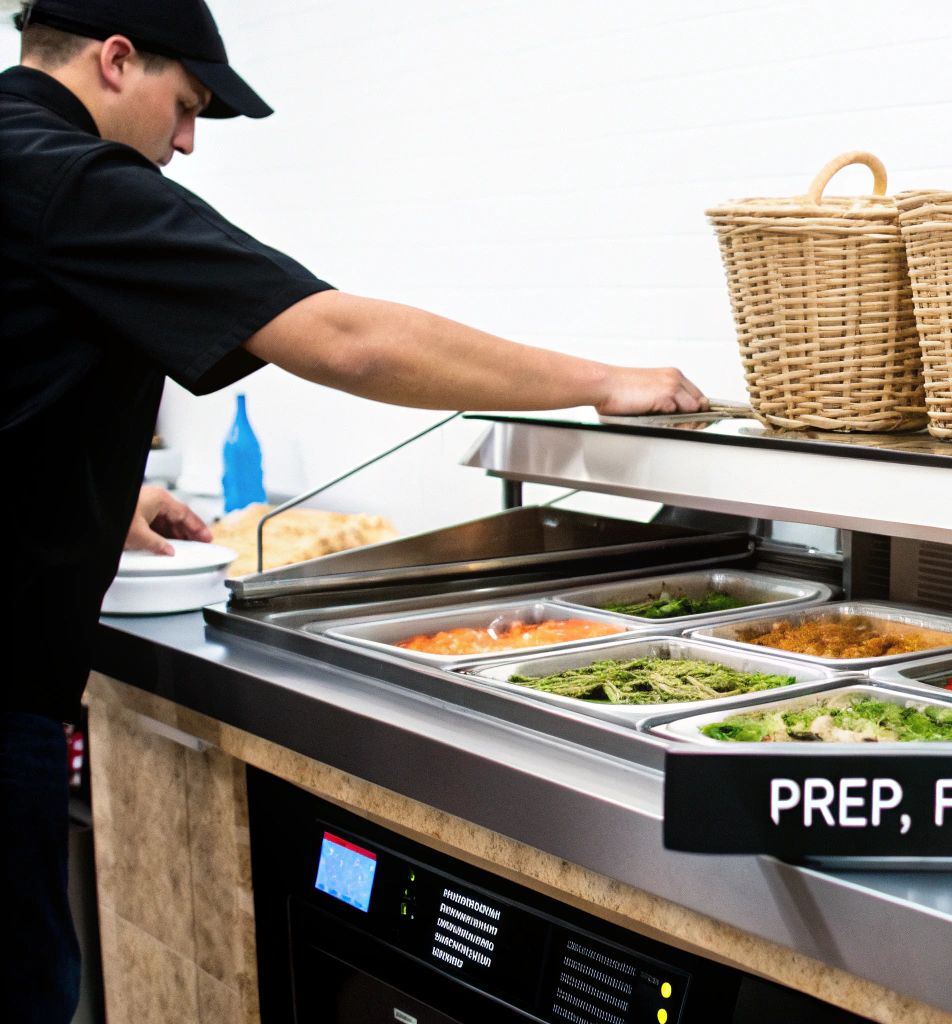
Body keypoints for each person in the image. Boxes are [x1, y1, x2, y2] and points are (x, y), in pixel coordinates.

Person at [1, 1, 707, 1020]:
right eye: (185, 105)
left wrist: (91, 496)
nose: (186, 141)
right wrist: (602, 381)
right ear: (117, 61)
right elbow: (344, 337)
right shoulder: (71, 181)